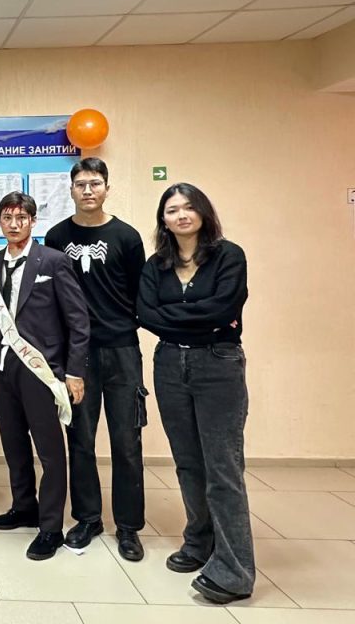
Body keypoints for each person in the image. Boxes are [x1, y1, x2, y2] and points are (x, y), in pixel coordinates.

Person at [136, 183, 253, 605]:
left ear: (203, 212)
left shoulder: (229, 256)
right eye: (172, 210)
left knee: (223, 467)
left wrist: (174, 316)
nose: (181, 215)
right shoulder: (156, 265)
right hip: (170, 364)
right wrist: (192, 318)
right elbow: (145, 314)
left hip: (218, 363)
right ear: (163, 220)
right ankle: (199, 541)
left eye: (188, 207)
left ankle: (234, 572)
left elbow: (224, 309)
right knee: (188, 462)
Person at [44, 158, 147, 561]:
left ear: (107, 188)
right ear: (71, 189)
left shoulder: (127, 237)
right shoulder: (56, 237)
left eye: (95, 183)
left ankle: (129, 527)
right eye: (81, 184)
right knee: (80, 440)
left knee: (126, 441)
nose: (88, 190)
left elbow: (140, 293)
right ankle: (88, 518)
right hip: (77, 355)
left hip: (121, 350)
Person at [0, 192, 90, 561]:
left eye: (21, 218)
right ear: (0, 221)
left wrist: (74, 371)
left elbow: (78, 320)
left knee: (50, 451)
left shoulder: (53, 261)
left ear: (32, 221)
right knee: (14, 445)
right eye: (7, 217)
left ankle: (51, 527)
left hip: (40, 370)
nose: (14, 224)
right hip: (3, 369)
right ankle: (24, 506)